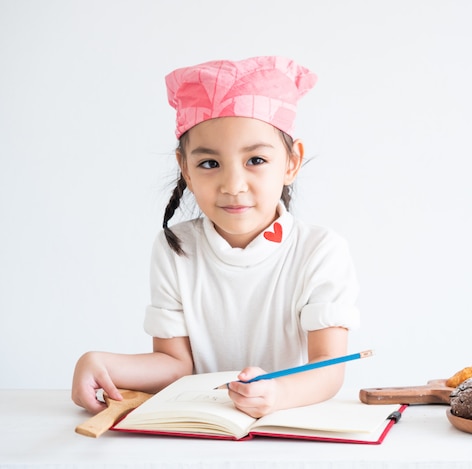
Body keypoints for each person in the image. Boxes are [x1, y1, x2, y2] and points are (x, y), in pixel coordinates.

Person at [71, 56, 360, 418]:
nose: (233, 185)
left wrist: (277, 393)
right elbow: (174, 364)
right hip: (200, 430)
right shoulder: (174, 249)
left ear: (291, 163)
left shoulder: (320, 251)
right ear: (185, 169)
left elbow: (328, 367)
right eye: (209, 163)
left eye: (255, 160)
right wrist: (99, 362)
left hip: (287, 430)